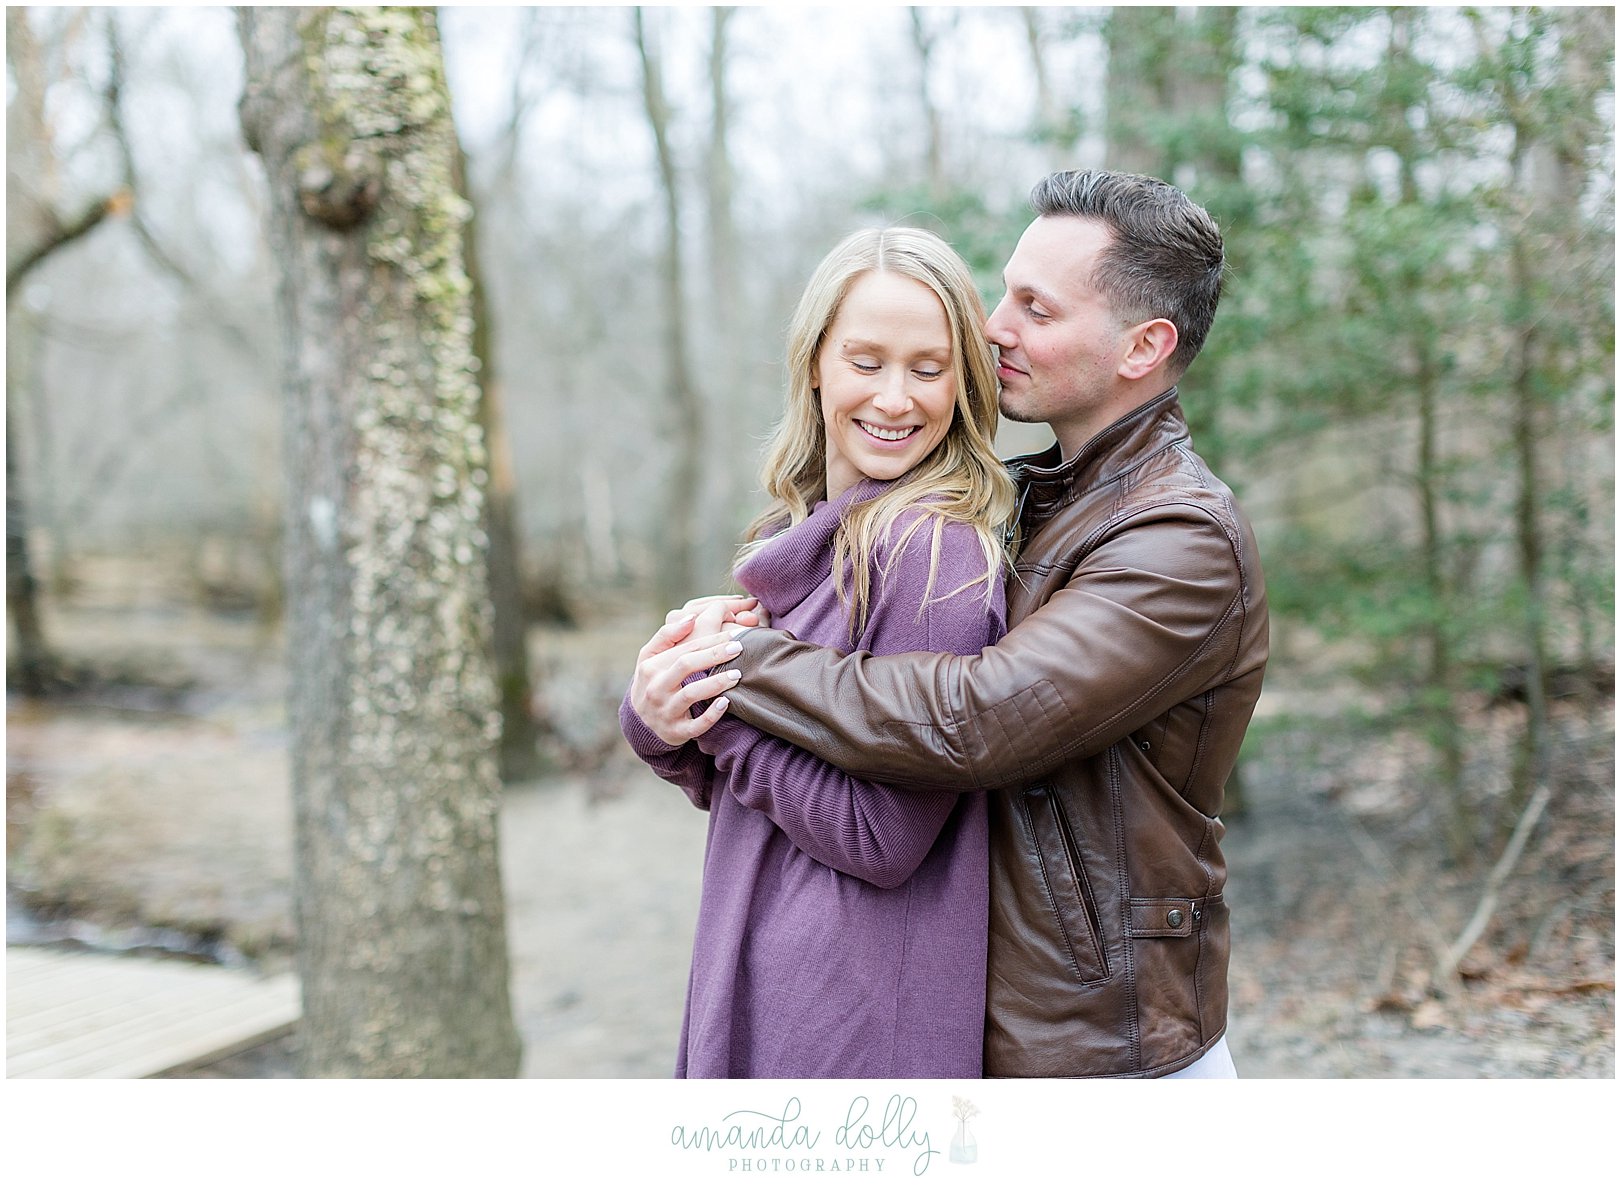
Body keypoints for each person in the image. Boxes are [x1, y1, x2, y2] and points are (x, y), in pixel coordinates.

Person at [639, 169, 1269, 1078]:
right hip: (1000, 1032)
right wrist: (677, 696)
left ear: (1143, 346)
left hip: (1106, 1058)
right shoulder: (1041, 499)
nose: (993, 325)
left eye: (1034, 308)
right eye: (1004, 291)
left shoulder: (1180, 538)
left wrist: (734, 663)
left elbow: (975, 718)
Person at [620, 226, 1017, 1078]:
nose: (895, 397)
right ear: (815, 363)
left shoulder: (929, 555)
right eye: (866, 360)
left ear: (963, 382)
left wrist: (720, 703)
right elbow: (753, 784)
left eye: (928, 365)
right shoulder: (799, 534)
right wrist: (660, 711)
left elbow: (881, 836)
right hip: (763, 960)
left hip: (853, 1013)